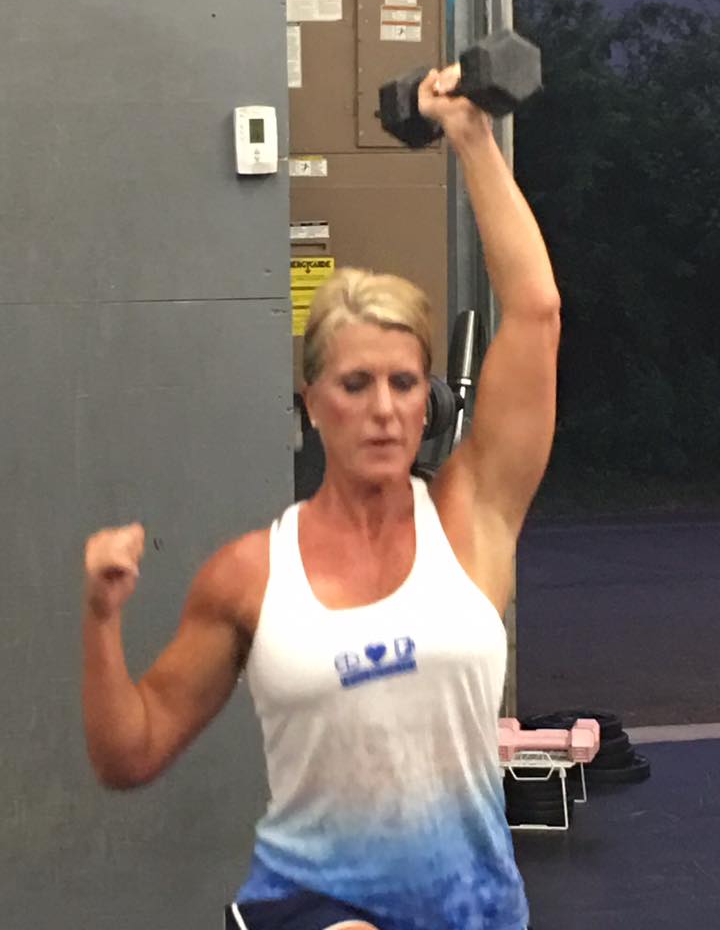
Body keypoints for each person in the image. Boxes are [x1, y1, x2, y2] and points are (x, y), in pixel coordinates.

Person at [83, 64, 560, 930]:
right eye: (353, 384)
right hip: (314, 909)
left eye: (404, 383)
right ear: (311, 400)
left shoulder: (471, 521)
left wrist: (470, 135)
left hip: (475, 912)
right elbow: (132, 753)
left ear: (429, 401)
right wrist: (101, 619)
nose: (381, 409)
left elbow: (535, 311)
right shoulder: (250, 577)